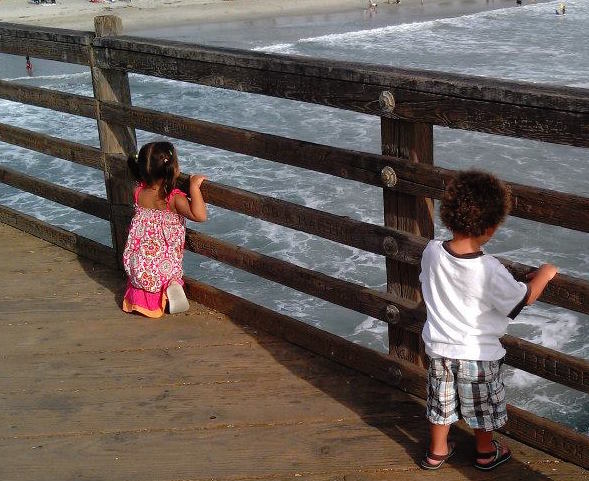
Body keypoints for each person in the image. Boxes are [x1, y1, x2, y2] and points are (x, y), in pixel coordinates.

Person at [419, 170, 557, 471]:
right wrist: (544, 274)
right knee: (482, 405)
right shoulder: (489, 269)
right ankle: (485, 451)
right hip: (478, 355)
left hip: (440, 350)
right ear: (491, 228)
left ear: (448, 215)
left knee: (440, 403)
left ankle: (437, 451)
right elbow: (521, 299)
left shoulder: (431, 252)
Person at [122, 141, 207, 318]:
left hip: (139, 264)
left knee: (144, 268)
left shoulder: (137, 192)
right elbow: (200, 215)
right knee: (168, 266)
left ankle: (142, 300)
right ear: (173, 168)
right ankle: (170, 287)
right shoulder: (173, 199)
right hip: (163, 263)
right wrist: (194, 187)